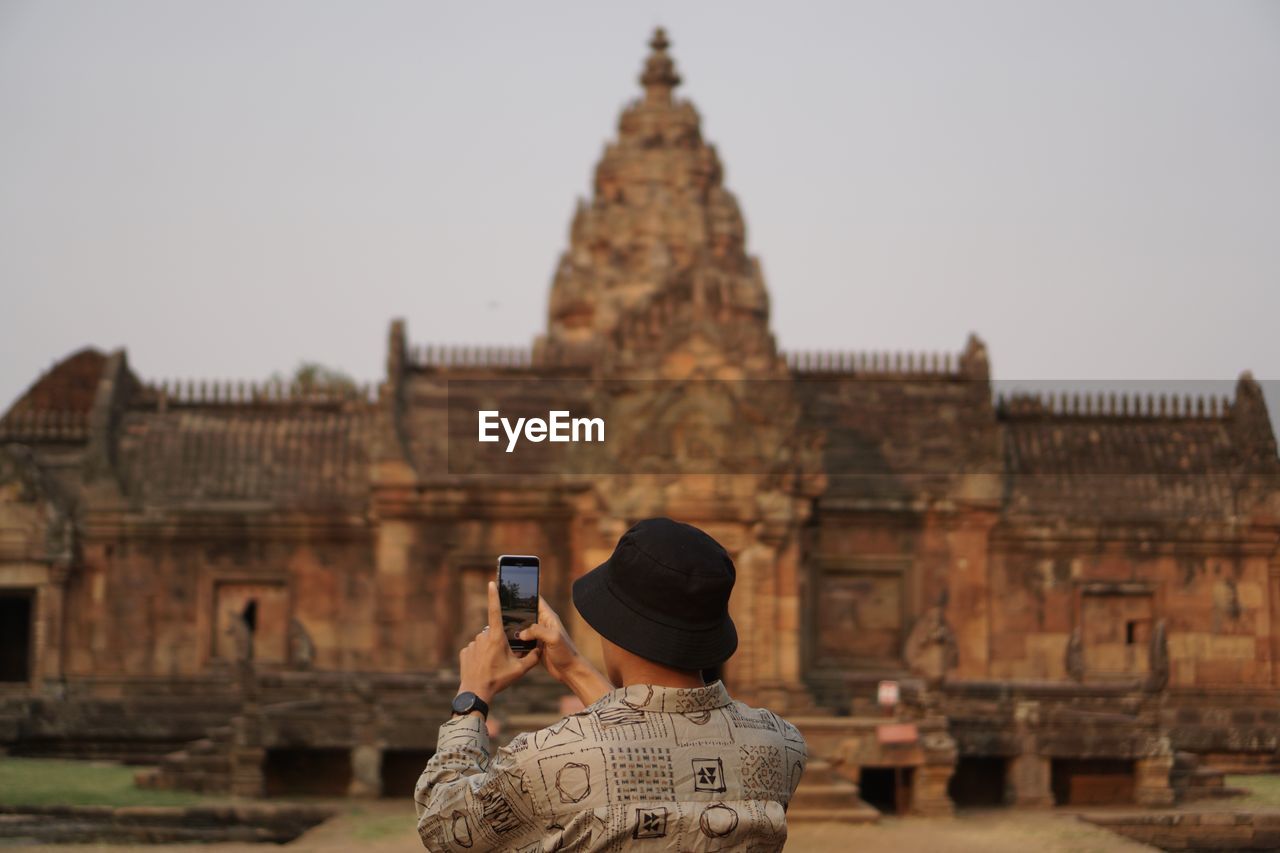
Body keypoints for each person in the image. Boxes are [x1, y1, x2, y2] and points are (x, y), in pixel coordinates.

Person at [414, 517, 807, 852]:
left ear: (611, 624)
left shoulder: (544, 759)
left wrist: (472, 698)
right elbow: (663, 748)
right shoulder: (781, 747)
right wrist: (573, 669)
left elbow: (443, 824)